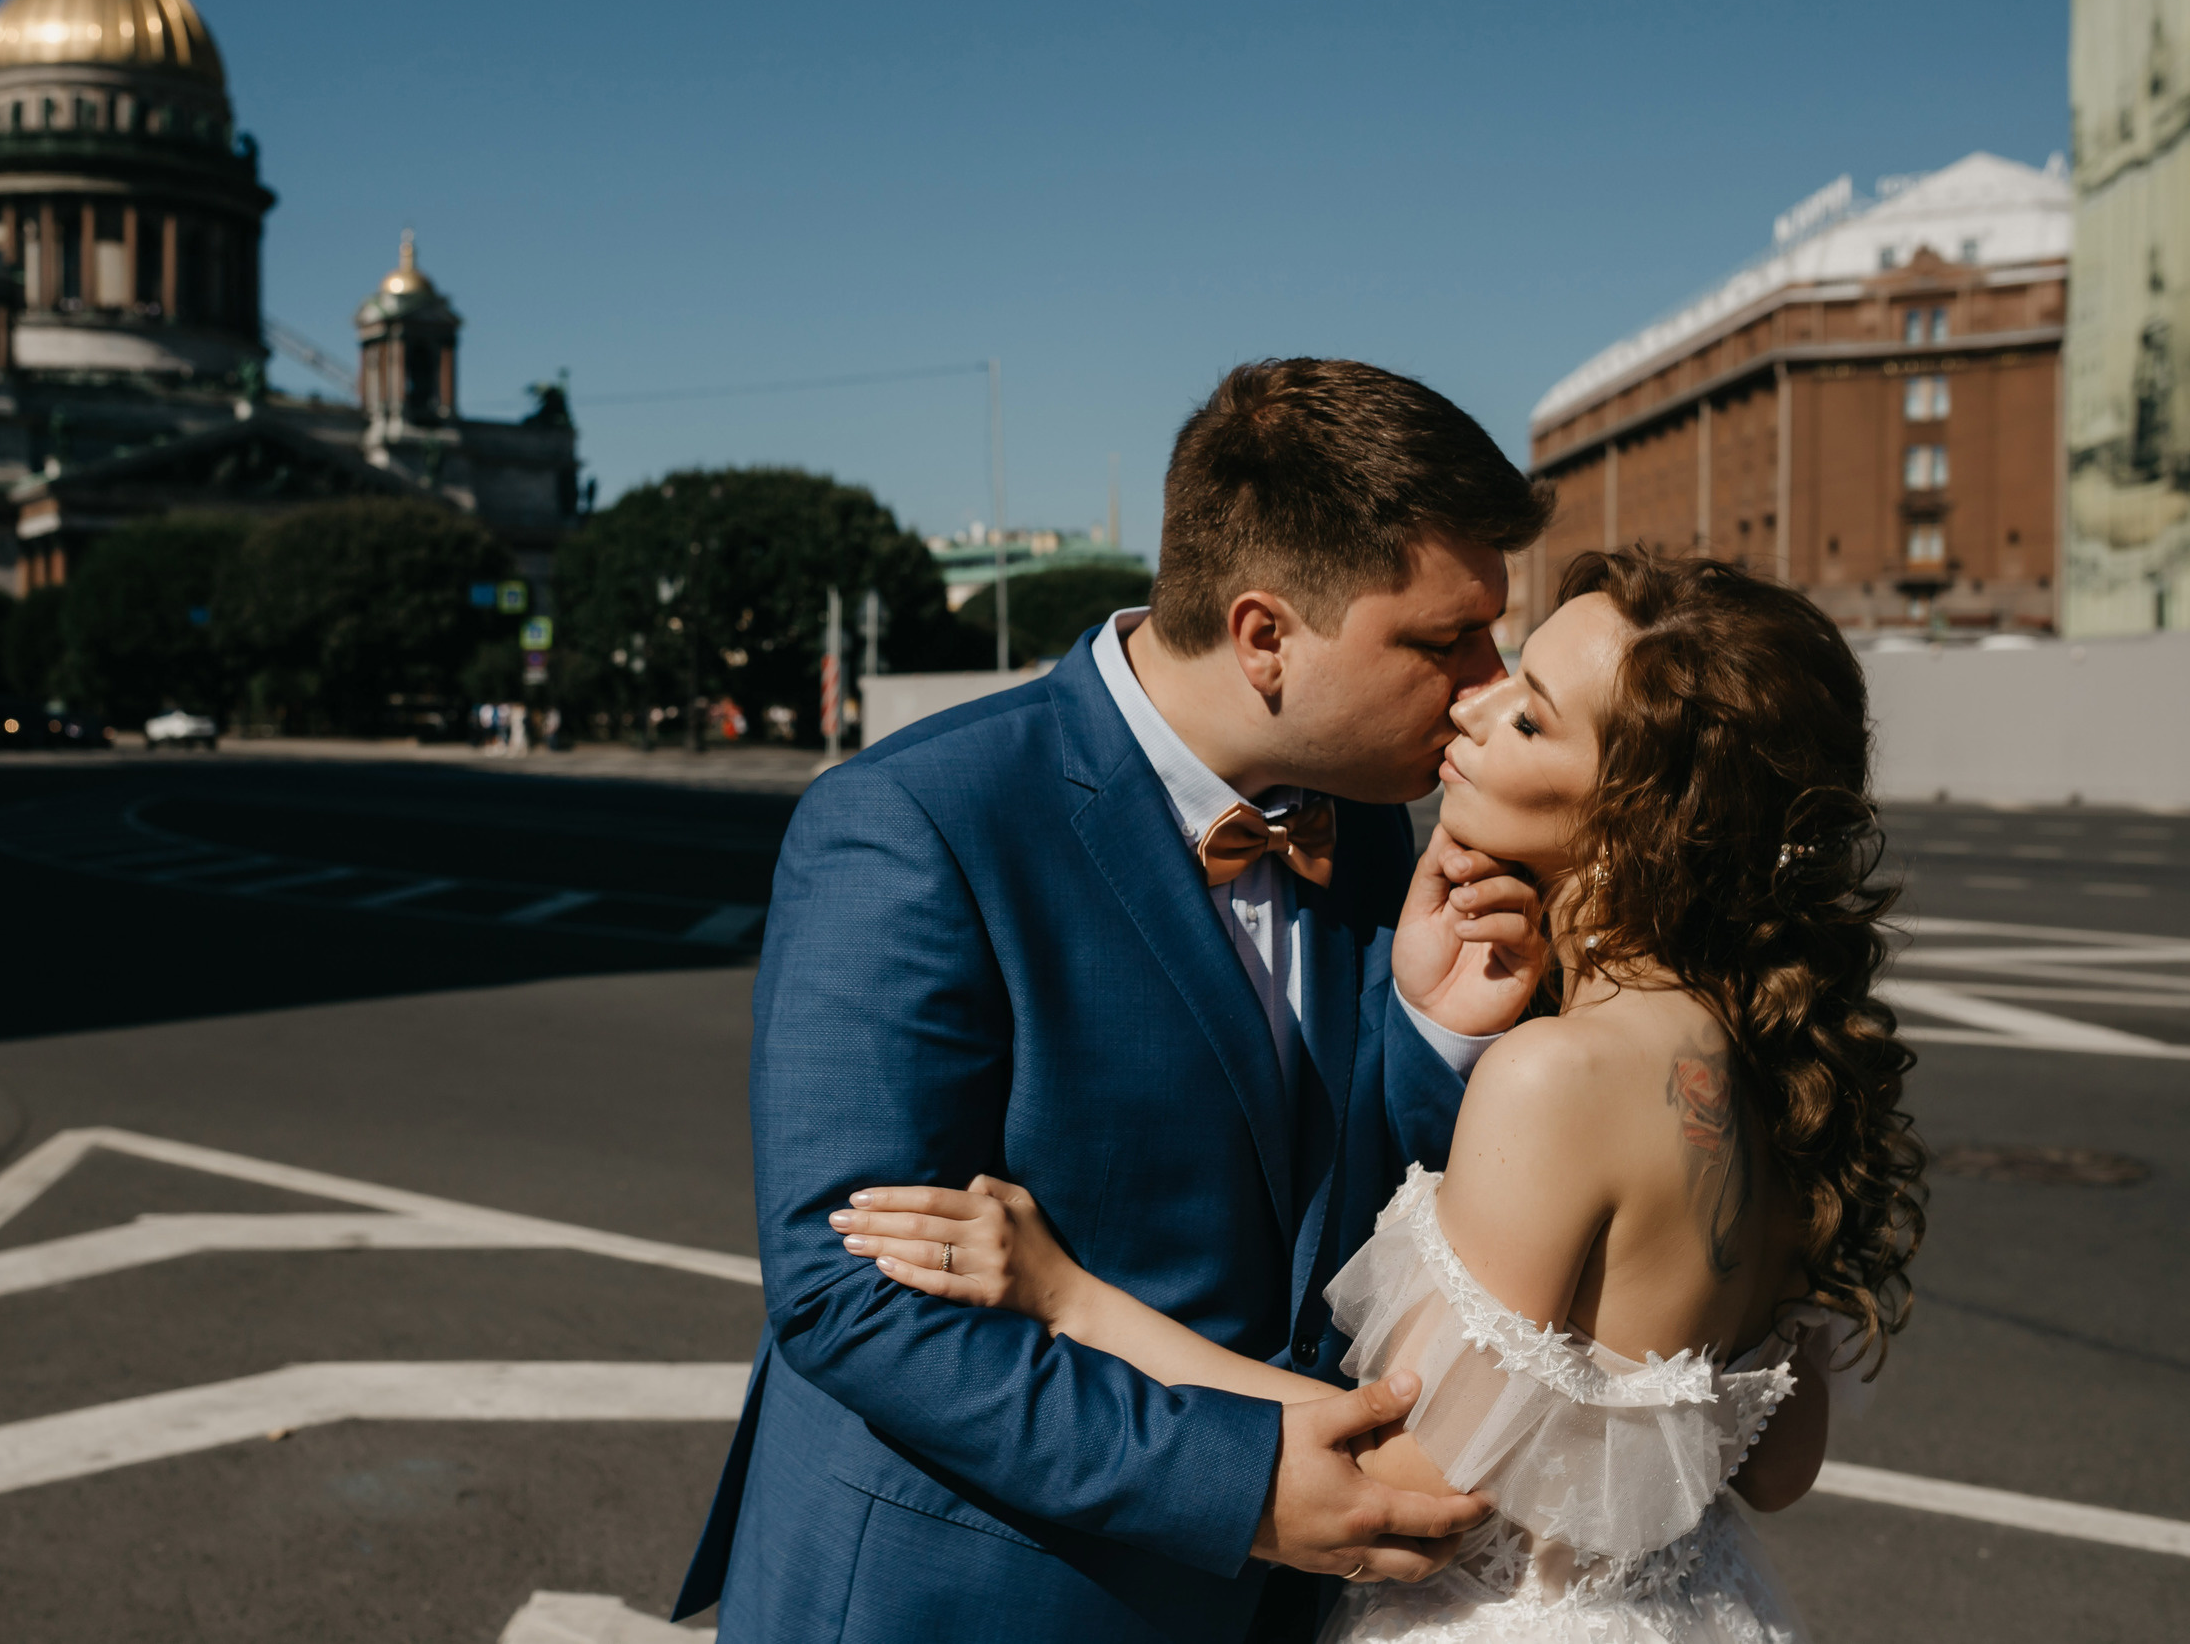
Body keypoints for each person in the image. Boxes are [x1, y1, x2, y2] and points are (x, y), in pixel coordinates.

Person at [834, 548, 1927, 1643]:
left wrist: (1074, 1302)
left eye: (1531, 719)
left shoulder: (1557, 1075)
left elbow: (1410, 1477)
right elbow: (1777, 1467)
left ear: (1647, 823)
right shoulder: (1780, 1064)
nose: (1476, 699)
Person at [675, 360, 1557, 1642]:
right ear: (1265, 637)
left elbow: (1349, 1208)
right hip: (976, 1594)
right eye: (1443, 640)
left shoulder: (1367, 823)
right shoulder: (916, 822)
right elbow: (847, 1291)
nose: (1486, 683)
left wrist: (1438, 1031)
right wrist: (1238, 1484)